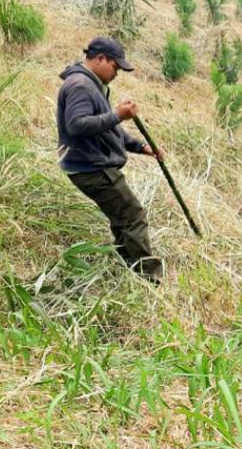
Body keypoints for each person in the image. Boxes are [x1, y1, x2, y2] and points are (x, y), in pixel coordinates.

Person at [57, 36, 163, 282]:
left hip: (90, 164)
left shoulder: (92, 84)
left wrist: (141, 146)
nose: (117, 73)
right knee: (133, 215)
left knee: (122, 216)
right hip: (91, 167)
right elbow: (77, 125)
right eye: (115, 67)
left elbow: (105, 128)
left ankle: (128, 262)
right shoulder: (81, 85)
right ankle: (149, 277)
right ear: (101, 58)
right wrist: (117, 114)